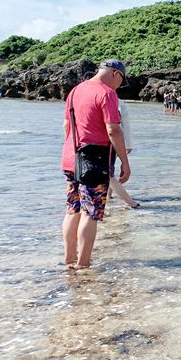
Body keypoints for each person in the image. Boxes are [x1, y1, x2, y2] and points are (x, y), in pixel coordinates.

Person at [61, 59, 131, 269]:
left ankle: (68, 258)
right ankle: (84, 263)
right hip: (93, 161)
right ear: (115, 74)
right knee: (91, 212)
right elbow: (113, 130)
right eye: (121, 80)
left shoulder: (75, 90)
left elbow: (66, 125)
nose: (119, 85)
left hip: (70, 159)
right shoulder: (107, 93)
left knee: (73, 209)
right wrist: (125, 163)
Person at [108, 99, 139, 209]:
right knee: (110, 169)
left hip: (110, 141)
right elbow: (126, 124)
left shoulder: (115, 102)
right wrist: (128, 144)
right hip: (115, 141)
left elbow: (121, 125)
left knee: (108, 173)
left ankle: (129, 202)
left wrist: (128, 145)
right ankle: (108, 196)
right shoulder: (118, 102)